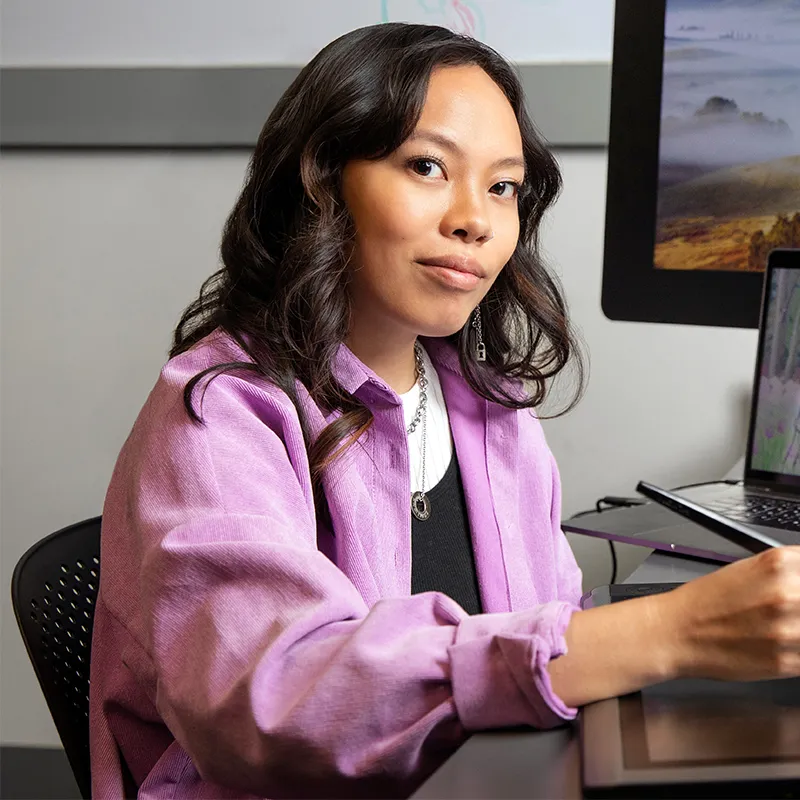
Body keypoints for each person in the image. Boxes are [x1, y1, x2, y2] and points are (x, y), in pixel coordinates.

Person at [89, 22, 800, 800]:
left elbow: (548, 623)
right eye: (427, 166)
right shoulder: (219, 413)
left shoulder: (488, 406)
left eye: (502, 186)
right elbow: (272, 702)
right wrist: (671, 630)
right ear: (322, 183)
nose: (477, 219)